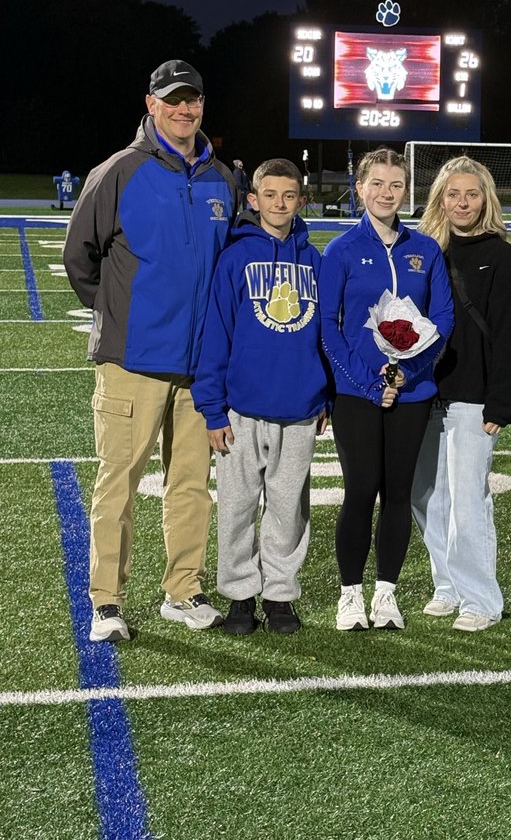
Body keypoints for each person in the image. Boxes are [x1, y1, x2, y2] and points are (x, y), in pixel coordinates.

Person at [63, 59, 236, 642]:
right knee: (119, 481)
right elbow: (79, 258)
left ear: (203, 106)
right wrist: (122, 318)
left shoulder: (223, 179)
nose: (184, 110)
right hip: (132, 361)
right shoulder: (117, 172)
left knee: (191, 484)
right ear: (151, 103)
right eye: (173, 100)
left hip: (199, 367)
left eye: (194, 100)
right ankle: (106, 601)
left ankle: (182, 589)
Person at [191, 158, 329, 636]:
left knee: (289, 508)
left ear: (301, 202)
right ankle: (239, 595)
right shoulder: (234, 258)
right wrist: (212, 408)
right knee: (236, 507)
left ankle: (280, 595)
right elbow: (216, 336)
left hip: (300, 408)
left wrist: (325, 395)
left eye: (289, 196)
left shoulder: (315, 261)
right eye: (269, 195)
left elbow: (325, 337)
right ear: (253, 200)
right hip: (241, 408)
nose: (279, 204)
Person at [319, 147, 454, 632]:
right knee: (360, 490)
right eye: (377, 183)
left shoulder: (426, 250)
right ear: (360, 188)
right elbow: (328, 328)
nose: (386, 193)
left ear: (406, 191)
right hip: (357, 394)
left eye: (395, 185)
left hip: (412, 393)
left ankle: (386, 595)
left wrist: (406, 375)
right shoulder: (340, 250)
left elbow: (442, 320)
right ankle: (349, 595)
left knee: (398, 493)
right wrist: (367, 381)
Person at [411, 156, 511, 631]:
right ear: (440, 197)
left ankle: (481, 599)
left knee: (467, 499)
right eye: (453, 193)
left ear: (486, 199)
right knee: (425, 496)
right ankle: (448, 584)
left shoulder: (499, 255)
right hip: (425, 394)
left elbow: (509, 335)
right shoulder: (424, 251)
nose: (462, 202)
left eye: (472, 193)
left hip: (474, 397)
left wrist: (502, 400)